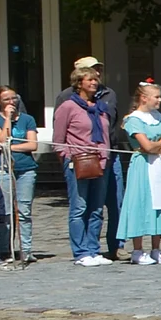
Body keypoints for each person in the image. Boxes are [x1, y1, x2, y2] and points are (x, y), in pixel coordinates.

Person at [53, 66, 114, 265]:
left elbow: (105, 135)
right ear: (79, 83)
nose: (94, 83)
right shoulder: (68, 107)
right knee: (79, 207)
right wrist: (67, 158)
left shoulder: (100, 107)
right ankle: (80, 252)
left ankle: (93, 249)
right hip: (78, 161)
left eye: (96, 79)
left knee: (97, 208)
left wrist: (105, 155)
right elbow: (58, 139)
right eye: (89, 80)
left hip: (100, 162)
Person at [118, 81, 161, 264]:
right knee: (141, 202)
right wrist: (157, 145)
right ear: (144, 98)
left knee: (160, 203)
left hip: (159, 164)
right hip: (142, 166)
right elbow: (145, 146)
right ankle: (137, 249)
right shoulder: (134, 120)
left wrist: (156, 146)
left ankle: (156, 248)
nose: (160, 100)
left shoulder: (157, 117)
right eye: (157, 97)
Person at [1, 87, 34, 264]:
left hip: (26, 169)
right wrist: (7, 118)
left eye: (14, 98)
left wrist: (10, 147)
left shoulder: (27, 119)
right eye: (6, 99)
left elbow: (32, 145)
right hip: (3, 169)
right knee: (6, 213)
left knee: (24, 211)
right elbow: (1, 140)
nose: (11, 102)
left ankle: (26, 250)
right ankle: (5, 250)